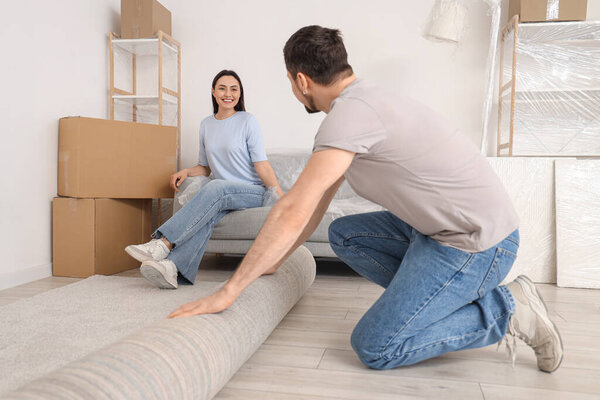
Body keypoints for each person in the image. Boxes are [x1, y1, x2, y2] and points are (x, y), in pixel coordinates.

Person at [166, 26, 563, 373]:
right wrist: (275, 262)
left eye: (290, 82)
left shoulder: (347, 118)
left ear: (301, 80)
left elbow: (293, 207)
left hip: (478, 244)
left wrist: (229, 291)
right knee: (345, 235)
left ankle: (508, 311)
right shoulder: (363, 102)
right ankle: (430, 303)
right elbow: (317, 205)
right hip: (437, 231)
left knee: (375, 346)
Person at [125, 69, 283, 289]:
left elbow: (262, 165)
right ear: (213, 91)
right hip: (223, 195)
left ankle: (163, 243)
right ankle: (173, 268)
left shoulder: (248, 121)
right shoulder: (206, 124)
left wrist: (279, 196)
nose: (228, 93)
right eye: (222, 88)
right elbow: (206, 167)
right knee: (208, 213)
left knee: (216, 188)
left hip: (252, 192)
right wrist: (187, 172)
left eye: (234, 89)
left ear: (240, 93)